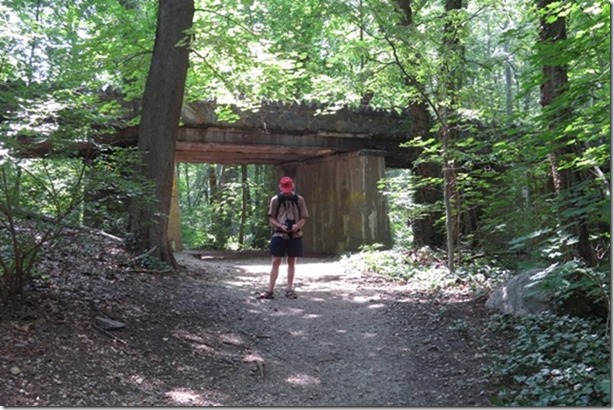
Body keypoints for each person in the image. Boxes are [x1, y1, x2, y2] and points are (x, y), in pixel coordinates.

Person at [258, 176, 309, 299]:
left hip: (295, 234)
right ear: (280, 187)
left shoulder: (299, 200)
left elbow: (304, 217)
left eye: (288, 188)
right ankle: (270, 290)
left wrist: (297, 225)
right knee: (276, 261)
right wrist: (280, 226)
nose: (286, 191)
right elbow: (271, 218)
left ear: (293, 186)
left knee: (292, 261)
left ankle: (289, 289)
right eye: (284, 188)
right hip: (279, 234)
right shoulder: (275, 200)